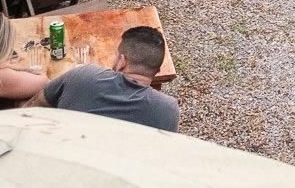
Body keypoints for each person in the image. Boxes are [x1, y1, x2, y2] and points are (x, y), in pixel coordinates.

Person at [27, 26, 180, 131]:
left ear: (121, 61)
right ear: (157, 70)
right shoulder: (168, 110)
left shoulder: (83, 76)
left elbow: (34, 106)